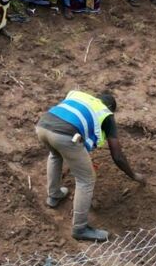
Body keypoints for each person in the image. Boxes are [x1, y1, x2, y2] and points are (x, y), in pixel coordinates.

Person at [36, 88, 141, 242]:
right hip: (65, 134)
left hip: (43, 126)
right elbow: (117, 156)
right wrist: (134, 175)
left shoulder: (80, 97)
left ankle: (54, 195)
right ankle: (80, 228)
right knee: (86, 179)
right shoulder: (106, 114)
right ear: (111, 108)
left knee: (55, 154)